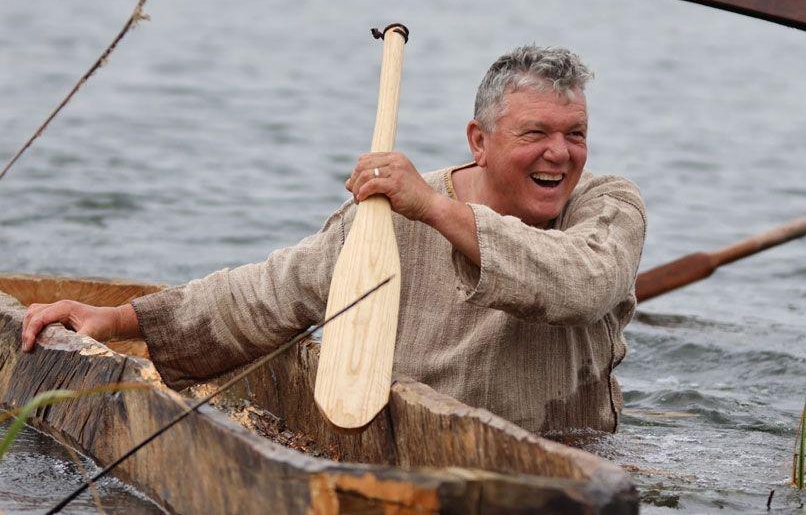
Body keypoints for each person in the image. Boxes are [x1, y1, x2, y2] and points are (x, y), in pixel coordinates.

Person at [20, 46, 646, 433]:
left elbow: (581, 283)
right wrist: (114, 318)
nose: (560, 154)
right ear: (478, 142)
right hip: (412, 449)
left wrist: (431, 210)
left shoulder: (608, 205)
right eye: (535, 133)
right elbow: (271, 293)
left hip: (568, 448)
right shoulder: (393, 213)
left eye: (577, 134)